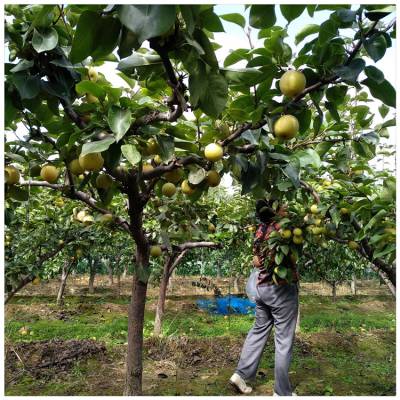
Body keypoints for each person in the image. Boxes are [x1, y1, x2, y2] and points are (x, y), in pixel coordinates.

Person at [229, 199, 299, 396]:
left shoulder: (260, 230)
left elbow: (255, 260)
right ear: (275, 210)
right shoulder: (283, 230)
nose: (287, 209)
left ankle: (241, 375)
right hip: (280, 290)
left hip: (262, 290)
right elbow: (292, 257)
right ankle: (282, 392)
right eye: (284, 206)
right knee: (284, 339)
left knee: (258, 331)